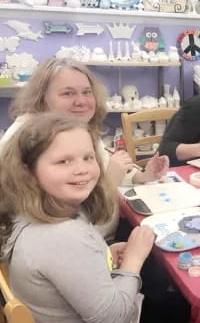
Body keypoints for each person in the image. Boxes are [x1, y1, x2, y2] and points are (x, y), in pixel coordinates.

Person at [0, 113, 155, 322]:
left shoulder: (31, 213)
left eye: (88, 158)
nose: (81, 169)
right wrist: (134, 259)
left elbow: (59, 265)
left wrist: (102, 255)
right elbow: (113, 317)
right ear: (28, 172)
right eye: (63, 161)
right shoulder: (60, 236)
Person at [0, 58, 168, 241]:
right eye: (68, 93)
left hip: (100, 239)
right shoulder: (27, 139)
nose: (81, 101)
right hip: (76, 248)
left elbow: (105, 166)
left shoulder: (73, 127)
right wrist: (110, 182)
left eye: (87, 92)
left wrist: (142, 175)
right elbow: (57, 219)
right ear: (42, 97)